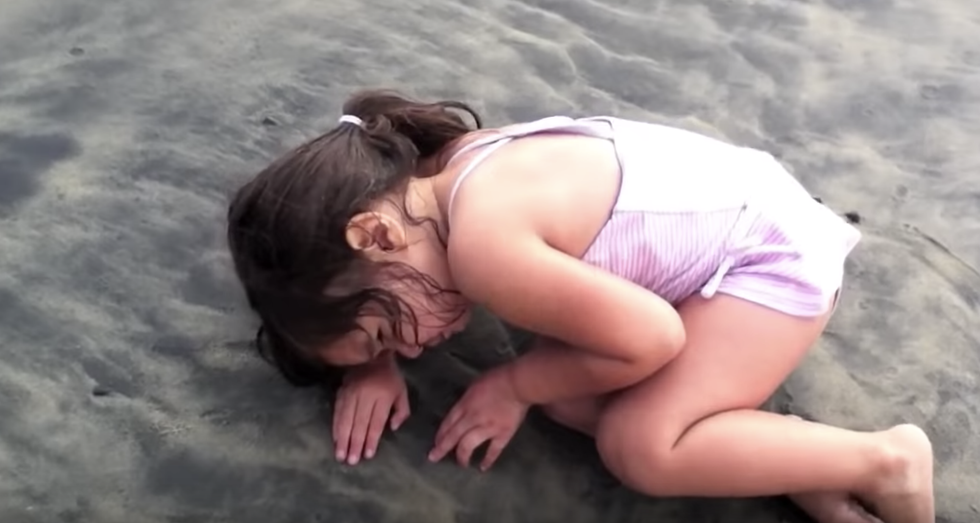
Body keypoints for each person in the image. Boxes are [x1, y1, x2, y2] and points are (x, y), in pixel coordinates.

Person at [226, 89, 935, 523]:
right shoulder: (439, 171)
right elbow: (365, 281)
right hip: (737, 208)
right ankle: (783, 458)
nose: (413, 352)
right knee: (571, 399)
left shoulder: (484, 251)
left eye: (387, 333)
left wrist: (511, 384)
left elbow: (651, 338)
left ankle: (884, 460)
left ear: (374, 232)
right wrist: (366, 360)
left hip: (769, 261)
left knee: (643, 447)